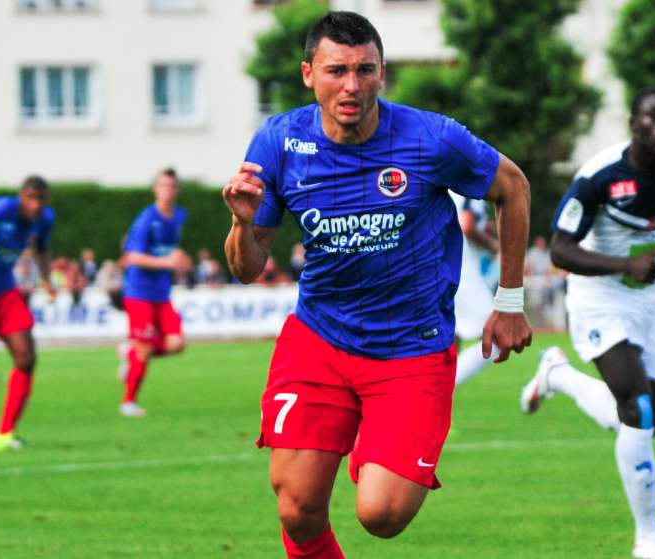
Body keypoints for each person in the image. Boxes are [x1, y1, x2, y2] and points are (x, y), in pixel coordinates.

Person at [223, 12, 532, 558]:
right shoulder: (278, 140)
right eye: (336, 70)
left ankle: (377, 438)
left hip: (411, 351)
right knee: (297, 509)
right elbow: (247, 267)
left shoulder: (431, 138)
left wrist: (509, 301)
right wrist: (243, 223)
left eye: (365, 70)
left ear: (382, 73)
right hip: (318, 340)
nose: (351, 85)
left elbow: (513, 186)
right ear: (308, 74)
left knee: (381, 514)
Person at [519, 88, 655, 559]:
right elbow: (561, 249)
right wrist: (624, 267)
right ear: (634, 123)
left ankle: (557, 375)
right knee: (638, 410)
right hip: (599, 297)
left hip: (650, 300)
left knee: (643, 424)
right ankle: (648, 537)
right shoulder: (598, 177)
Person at [0, 176, 56, 451]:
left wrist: (47, 281)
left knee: (26, 357)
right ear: (21, 196)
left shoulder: (45, 219)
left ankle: (4, 433)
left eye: (40, 199)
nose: (35, 205)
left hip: (4, 292)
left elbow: (41, 249)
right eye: (30, 198)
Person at [117, 168, 190, 417]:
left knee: (177, 344)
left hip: (162, 292)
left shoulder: (179, 216)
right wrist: (168, 262)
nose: (168, 190)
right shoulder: (146, 219)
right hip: (138, 292)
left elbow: (167, 251)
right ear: (155, 189)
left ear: (177, 190)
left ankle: (129, 353)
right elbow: (131, 255)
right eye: (163, 185)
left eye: (172, 186)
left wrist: (179, 261)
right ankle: (128, 402)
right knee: (145, 348)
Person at [449, 193, 500, 386]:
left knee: (450, 342)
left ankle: (437, 408)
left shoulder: (443, 186)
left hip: (440, 269)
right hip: (463, 272)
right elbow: (468, 225)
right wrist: (493, 245)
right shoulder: (469, 188)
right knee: (496, 337)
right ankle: (443, 391)